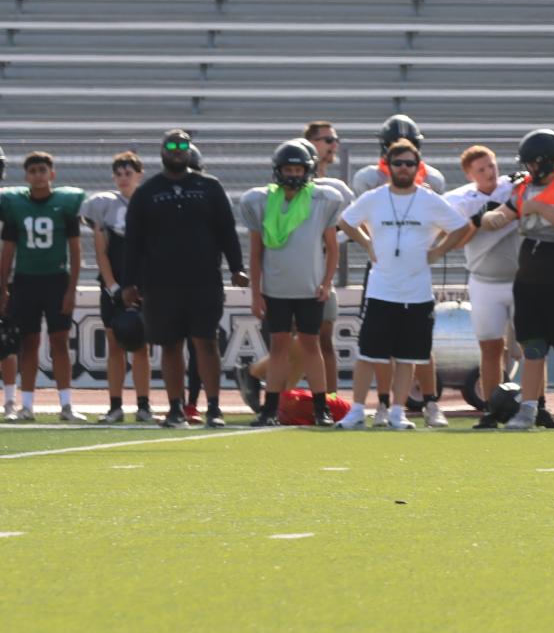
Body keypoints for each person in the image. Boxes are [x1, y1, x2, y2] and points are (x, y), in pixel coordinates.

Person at [338, 138, 473, 430]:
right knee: (368, 354)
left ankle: (398, 411)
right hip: (381, 290)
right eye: (397, 163)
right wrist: (366, 242)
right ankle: (357, 410)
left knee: (408, 356)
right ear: (387, 166)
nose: (403, 168)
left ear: (418, 167)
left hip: (416, 292)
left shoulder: (428, 199)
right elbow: (346, 221)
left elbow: (461, 227)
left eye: (409, 163)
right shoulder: (374, 197)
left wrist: (438, 250)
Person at [122, 131, 246, 428]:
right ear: (162, 151)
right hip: (161, 283)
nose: (177, 151)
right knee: (170, 345)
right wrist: (128, 282)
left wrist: (236, 267)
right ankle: (176, 407)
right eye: (172, 146)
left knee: (207, 342)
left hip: (203, 279)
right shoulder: (147, 192)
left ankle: (213, 408)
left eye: (182, 146)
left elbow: (227, 230)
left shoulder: (209, 187)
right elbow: (134, 241)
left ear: (189, 151)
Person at [482, 128, 554, 430]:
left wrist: (537, 207)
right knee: (532, 347)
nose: (530, 169)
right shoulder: (522, 189)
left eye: (534, 162)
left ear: (550, 160)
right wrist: (486, 217)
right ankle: (528, 409)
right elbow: (498, 218)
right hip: (530, 271)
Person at [350, 114, 447, 425]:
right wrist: (369, 244)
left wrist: (435, 248)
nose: (402, 162)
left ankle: (430, 402)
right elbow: (357, 219)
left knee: (419, 344)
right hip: (383, 267)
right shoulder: (369, 179)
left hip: (415, 268)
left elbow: (443, 219)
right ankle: (381, 403)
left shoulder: (432, 179)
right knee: (378, 347)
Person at [241, 140, 343, 428]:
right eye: (288, 168)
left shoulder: (322, 200)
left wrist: (326, 282)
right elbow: (256, 252)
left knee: (312, 346)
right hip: (276, 288)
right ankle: (270, 407)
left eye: (299, 169)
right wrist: (256, 292)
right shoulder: (260, 201)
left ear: (307, 170)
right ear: (278, 170)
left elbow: (332, 247)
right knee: (279, 348)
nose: (294, 174)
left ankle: (321, 406)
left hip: (310, 287)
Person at [0, 151, 86, 423]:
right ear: (26, 176)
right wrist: (3, 286)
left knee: (59, 342)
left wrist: (72, 288)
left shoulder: (65, 204)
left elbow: (75, 250)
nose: (38, 175)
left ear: (52, 173)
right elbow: (8, 251)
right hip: (26, 280)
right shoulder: (17, 205)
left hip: (56, 280)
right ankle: (26, 406)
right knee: (29, 343)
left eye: (42, 169)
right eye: (33, 170)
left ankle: (66, 405)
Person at [442, 144, 521, 421]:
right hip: (485, 280)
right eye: (481, 169)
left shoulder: (514, 187)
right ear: (469, 175)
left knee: (532, 348)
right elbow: (453, 241)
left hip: (521, 278)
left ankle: (538, 406)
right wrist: (476, 222)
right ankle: (492, 407)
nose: (489, 172)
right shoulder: (460, 200)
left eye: (491, 166)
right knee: (490, 347)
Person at [83, 151, 151, 423]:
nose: (124, 178)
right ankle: (115, 405)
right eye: (119, 174)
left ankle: (144, 405)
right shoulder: (104, 204)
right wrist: (112, 285)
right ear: (113, 177)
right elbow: (101, 252)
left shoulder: (147, 205)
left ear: (139, 175)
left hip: (141, 285)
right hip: (114, 282)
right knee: (115, 345)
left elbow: (152, 250)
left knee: (141, 346)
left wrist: (143, 288)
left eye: (129, 173)